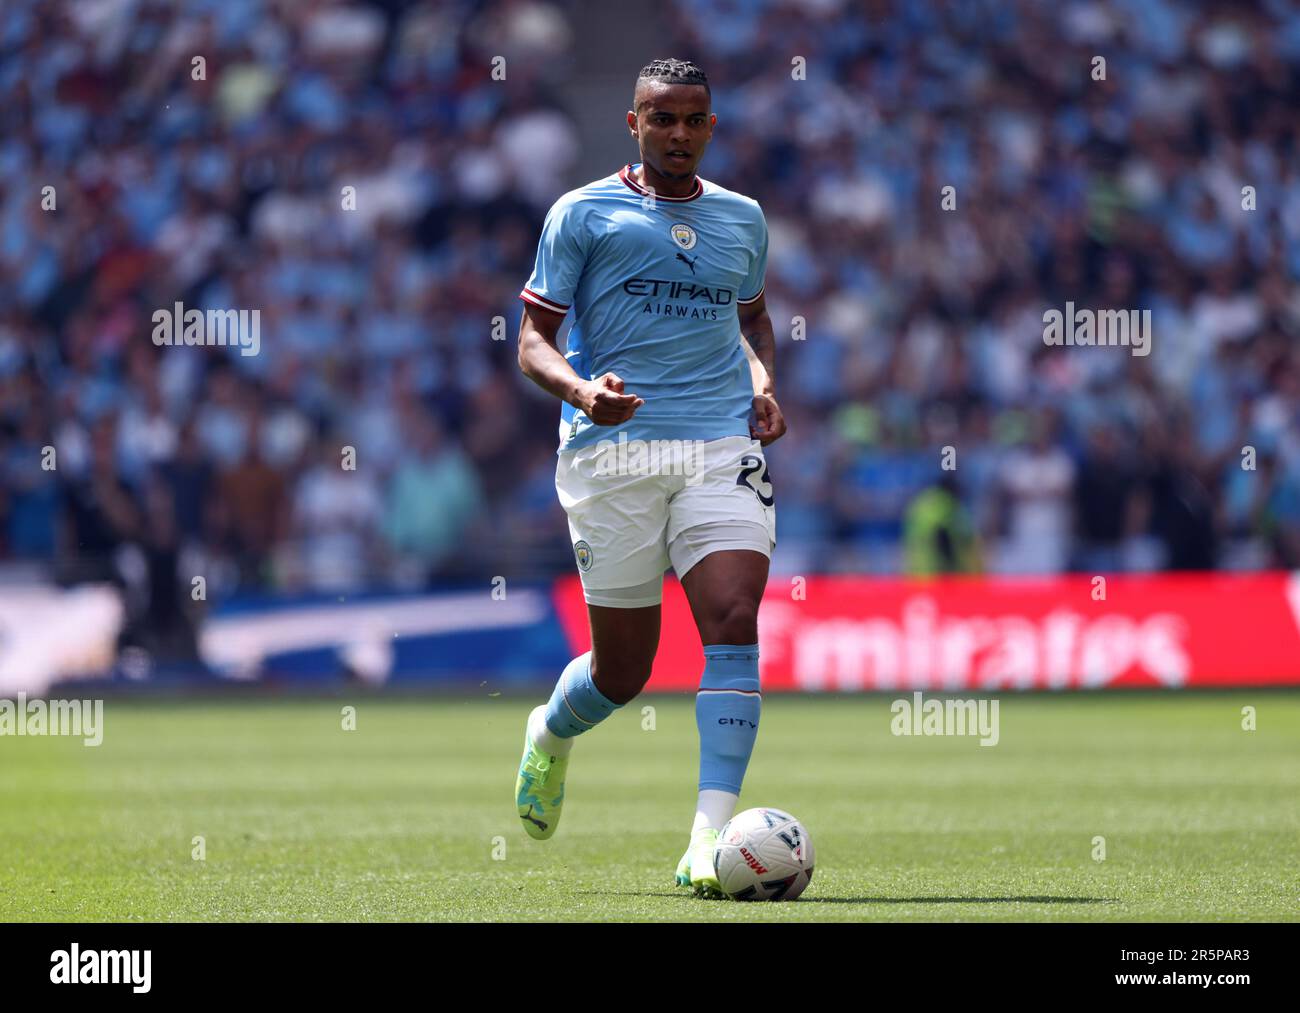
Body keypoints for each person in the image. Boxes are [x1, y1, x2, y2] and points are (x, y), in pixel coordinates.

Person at [513, 58, 785, 897]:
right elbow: (531, 341)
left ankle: (707, 840)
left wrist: (765, 385)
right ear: (632, 123)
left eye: (692, 119)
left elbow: (754, 320)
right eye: (660, 118)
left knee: (734, 616)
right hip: (614, 455)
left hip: (716, 446)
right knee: (622, 673)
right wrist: (583, 392)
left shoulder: (742, 219)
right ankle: (550, 733)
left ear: (710, 127)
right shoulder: (583, 213)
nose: (677, 133)